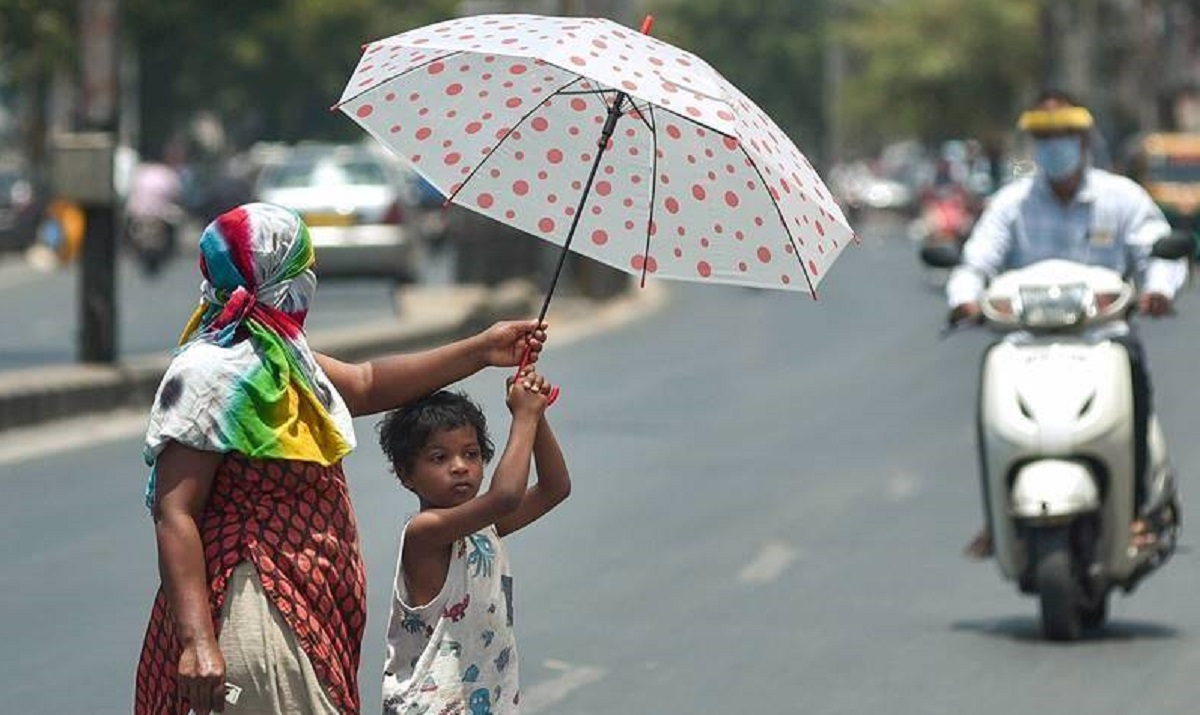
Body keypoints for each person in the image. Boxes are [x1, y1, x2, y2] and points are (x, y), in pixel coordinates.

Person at [135, 202, 548, 715]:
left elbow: (368, 383)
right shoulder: (209, 371)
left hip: (304, 605)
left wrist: (482, 350)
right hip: (254, 602)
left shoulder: (283, 355)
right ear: (273, 272)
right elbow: (175, 511)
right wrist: (197, 641)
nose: (309, 279)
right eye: (300, 267)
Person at [947, 90, 1187, 559]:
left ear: (1084, 140)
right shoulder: (1011, 203)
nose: (1054, 145)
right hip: (1024, 343)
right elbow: (976, 262)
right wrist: (963, 300)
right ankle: (998, 518)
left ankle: (1136, 509)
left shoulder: (1122, 198)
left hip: (1103, 337)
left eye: (1064, 135)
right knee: (988, 403)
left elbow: (1157, 251)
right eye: (1044, 136)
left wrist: (1159, 290)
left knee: (1134, 388)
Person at [376, 377, 570, 714]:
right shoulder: (424, 533)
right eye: (439, 458)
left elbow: (555, 487)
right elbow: (506, 497)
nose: (460, 466)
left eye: (472, 454)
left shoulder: (485, 528)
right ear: (405, 474)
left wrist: (536, 414)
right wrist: (523, 416)